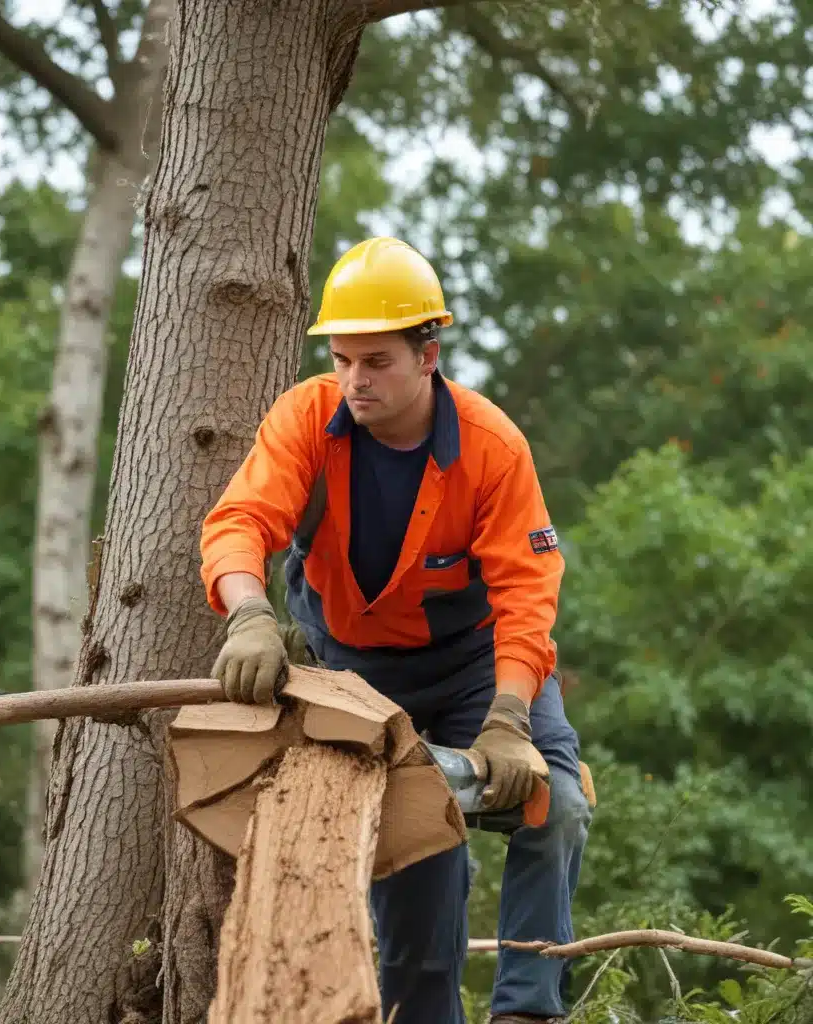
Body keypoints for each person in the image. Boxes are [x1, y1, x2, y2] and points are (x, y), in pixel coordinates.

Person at [198, 236, 592, 1024]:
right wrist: (247, 612)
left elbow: (527, 594)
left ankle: (528, 1008)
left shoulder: (493, 448)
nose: (353, 380)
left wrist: (509, 721)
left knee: (557, 806)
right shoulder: (307, 418)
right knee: (420, 865)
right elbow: (240, 521)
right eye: (342, 360)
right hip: (358, 676)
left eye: (375, 361)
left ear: (428, 355)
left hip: (481, 669)